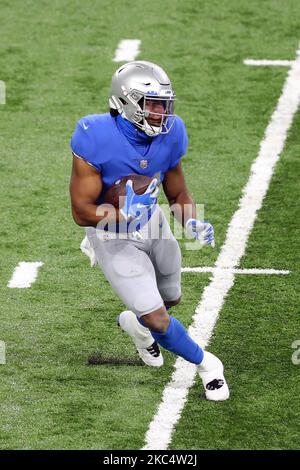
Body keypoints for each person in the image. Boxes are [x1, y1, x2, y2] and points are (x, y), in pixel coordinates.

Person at [69, 60, 229, 401]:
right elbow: (80, 211)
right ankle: (208, 366)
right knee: (158, 318)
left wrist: (190, 220)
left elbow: (178, 192)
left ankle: (136, 326)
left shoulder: (172, 133)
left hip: (152, 222)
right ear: (126, 101)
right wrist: (124, 217)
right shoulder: (94, 135)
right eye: (153, 104)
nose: (161, 113)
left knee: (171, 298)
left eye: (165, 104)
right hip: (111, 234)